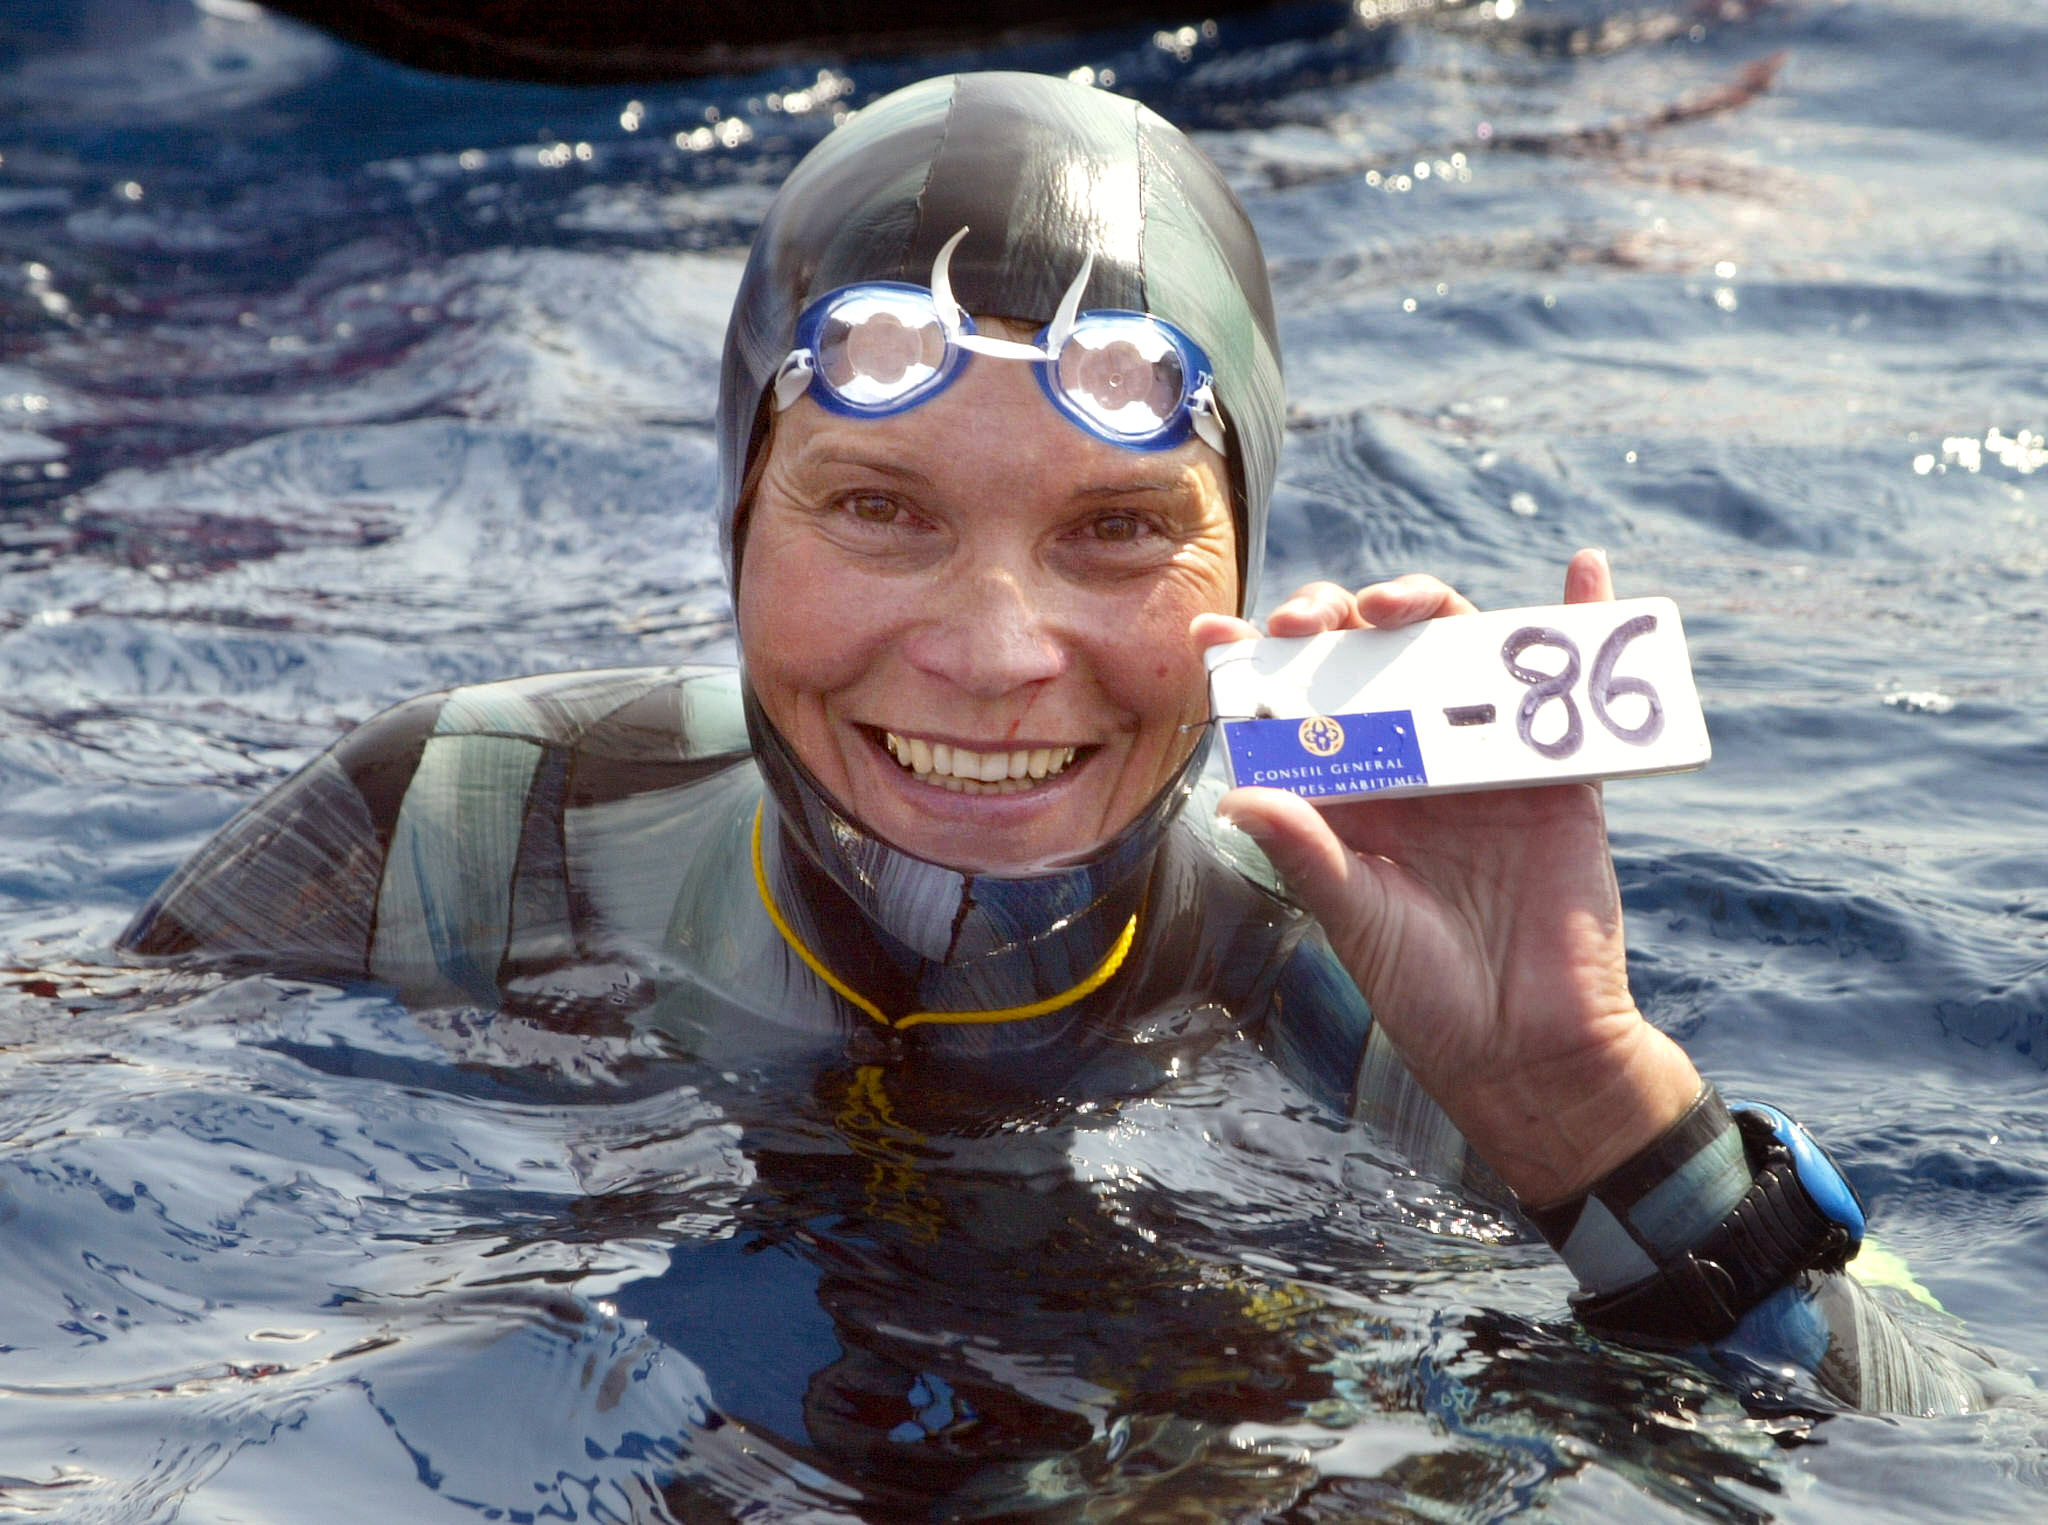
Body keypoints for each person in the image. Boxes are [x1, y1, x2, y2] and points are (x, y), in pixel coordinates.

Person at [120, 71, 1994, 1420]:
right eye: (876, 509)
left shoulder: (1382, 975)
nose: (996, 653)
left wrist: (1604, 1119)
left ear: (1249, 568)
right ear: (737, 519)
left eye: (1117, 529)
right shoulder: (462, 827)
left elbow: (1965, 1465)